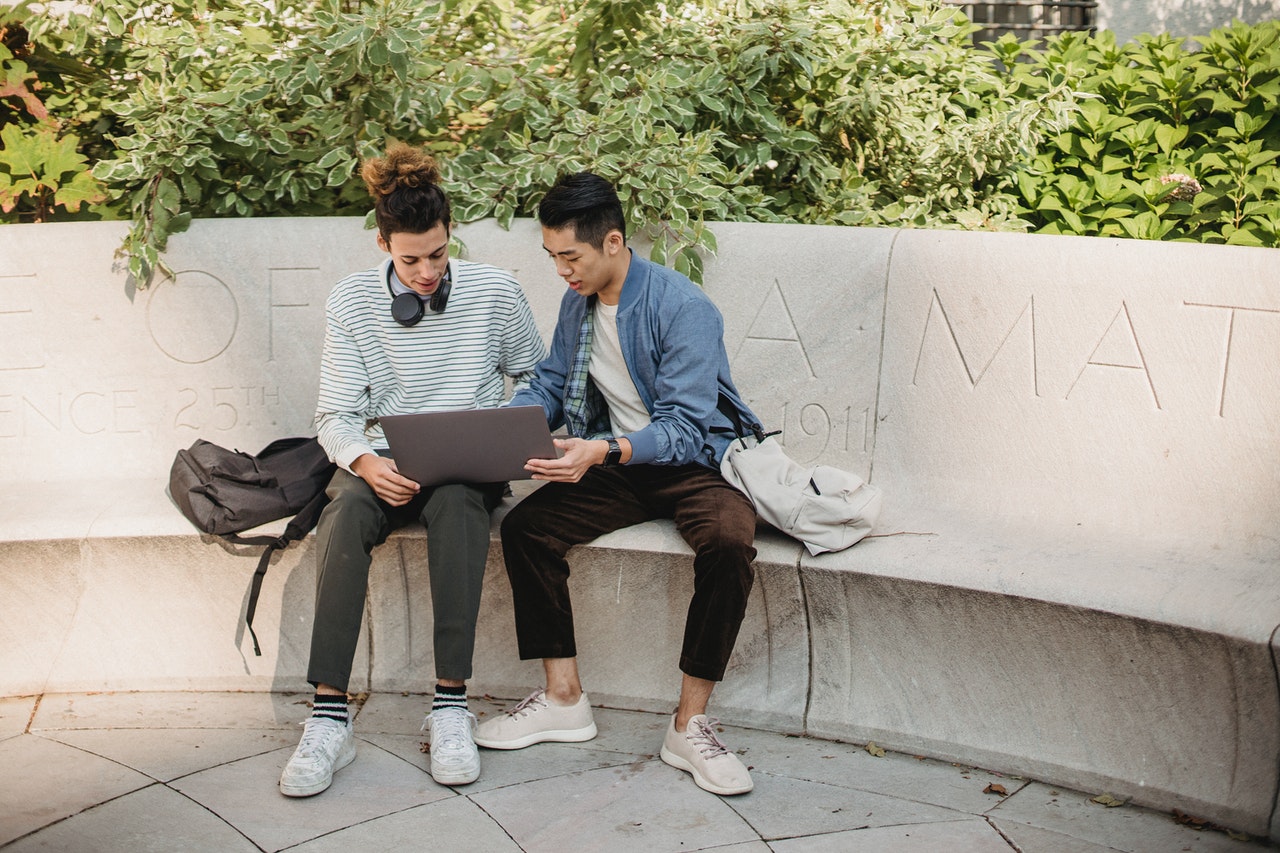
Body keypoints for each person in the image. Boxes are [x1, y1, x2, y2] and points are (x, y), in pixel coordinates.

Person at [473, 171, 761, 795]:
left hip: (693, 465)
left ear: (611, 241)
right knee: (527, 529)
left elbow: (686, 428)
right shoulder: (578, 305)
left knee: (732, 542)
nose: (561, 272)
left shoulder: (683, 308)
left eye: (569, 257)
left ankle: (690, 723)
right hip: (617, 464)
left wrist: (602, 449)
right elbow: (551, 382)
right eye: (552, 258)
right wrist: (504, 429)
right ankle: (563, 699)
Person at [278, 145, 547, 796]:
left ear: (450, 234)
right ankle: (328, 717)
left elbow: (538, 376)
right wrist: (368, 463)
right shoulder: (351, 303)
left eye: (437, 254)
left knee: (459, 508)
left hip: (466, 460)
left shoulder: (494, 292)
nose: (426, 271)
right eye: (410, 259)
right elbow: (334, 415)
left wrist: (498, 423)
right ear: (383, 242)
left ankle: (450, 706)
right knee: (341, 515)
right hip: (383, 461)